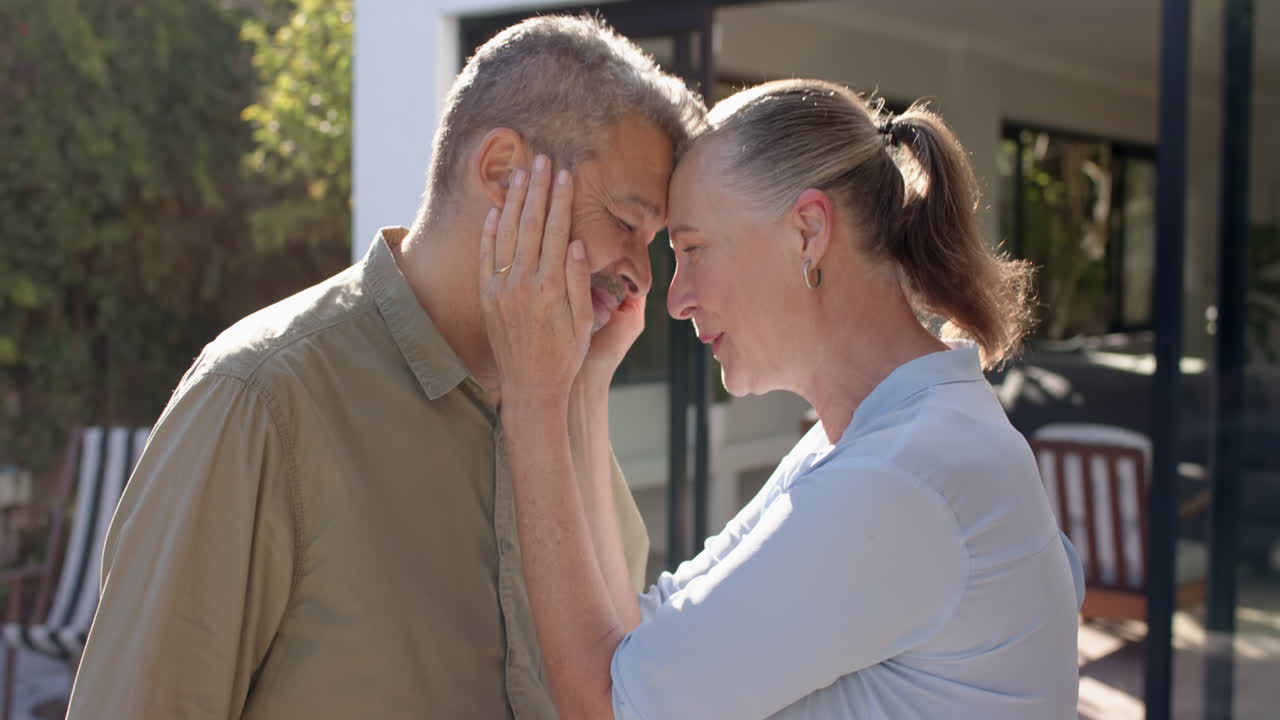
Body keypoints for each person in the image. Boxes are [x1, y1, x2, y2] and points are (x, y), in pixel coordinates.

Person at [65, 15, 704, 720]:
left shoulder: (569, 416)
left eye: (655, 244)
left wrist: (578, 399)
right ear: (501, 172)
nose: (641, 277)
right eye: (625, 223)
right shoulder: (260, 401)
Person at [481, 78, 1086, 719]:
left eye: (693, 249)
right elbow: (645, 642)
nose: (676, 298)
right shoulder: (871, 441)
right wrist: (584, 389)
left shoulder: (899, 481)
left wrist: (533, 398)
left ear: (807, 231)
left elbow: (606, 708)